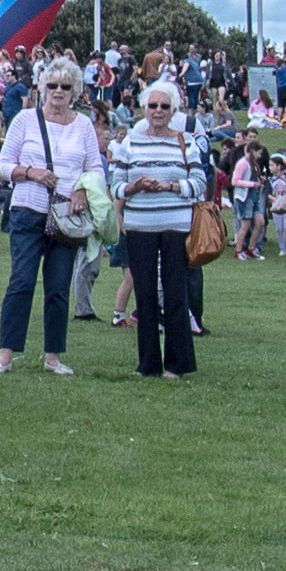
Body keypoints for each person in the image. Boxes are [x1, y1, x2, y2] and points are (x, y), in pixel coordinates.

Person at [0, 58, 104, 376]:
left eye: (65, 87)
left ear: (75, 92)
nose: (58, 92)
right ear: (41, 88)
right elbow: (1, 164)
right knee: (22, 281)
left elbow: (95, 167)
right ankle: (5, 354)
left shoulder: (83, 125)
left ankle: (53, 355)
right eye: (52, 85)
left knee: (57, 286)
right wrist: (30, 173)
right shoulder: (25, 120)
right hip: (28, 209)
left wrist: (82, 191)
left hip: (67, 214)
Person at [110, 80, 204, 378]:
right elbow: (116, 185)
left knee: (176, 293)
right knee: (145, 293)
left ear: (173, 109)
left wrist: (170, 185)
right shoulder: (130, 143)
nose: (158, 111)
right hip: (140, 226)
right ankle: (148, 364)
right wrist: (135, 186)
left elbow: (200, 184)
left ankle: (177, 364)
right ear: (144, 109)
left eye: (165, 106)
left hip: (176, 226)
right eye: (153, 106)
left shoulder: (185, 141)